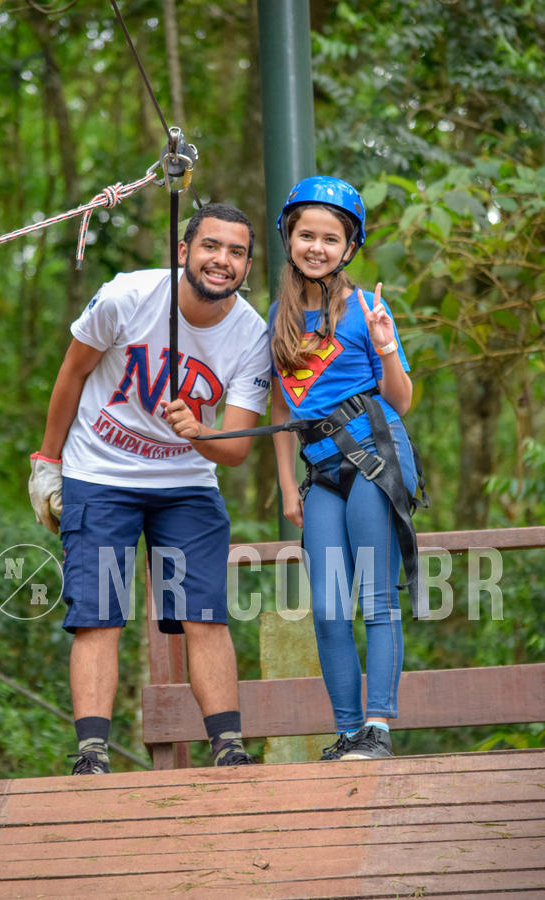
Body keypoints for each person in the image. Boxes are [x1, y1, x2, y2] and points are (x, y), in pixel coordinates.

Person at [28, 202, 271, 773]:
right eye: (211, 246)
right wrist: (47, 461)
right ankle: (91, 755)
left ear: (248, 266)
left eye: (237, 252)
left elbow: (235, 450)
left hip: (186, 481)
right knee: (99, 612)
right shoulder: (126, 297)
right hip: (100, 472)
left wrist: (199, 431)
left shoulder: (252, 335)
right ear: (183, 251)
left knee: (204, 613)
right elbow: (73, 373)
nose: (223, 261)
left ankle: (228, 748)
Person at [269, 176, 421, 761]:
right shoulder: (279, 316)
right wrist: (288, 486)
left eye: (330, 239)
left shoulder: (365, 308)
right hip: (320, 472)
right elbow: (283, 406)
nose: (317, 247)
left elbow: (400, 399)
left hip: (374, 459)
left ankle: (378, 729)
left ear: (349, 247)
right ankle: (348, 730)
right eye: (307, 234)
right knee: (330, 606)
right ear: (290, 239)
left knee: (375, 598)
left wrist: (384, 345)